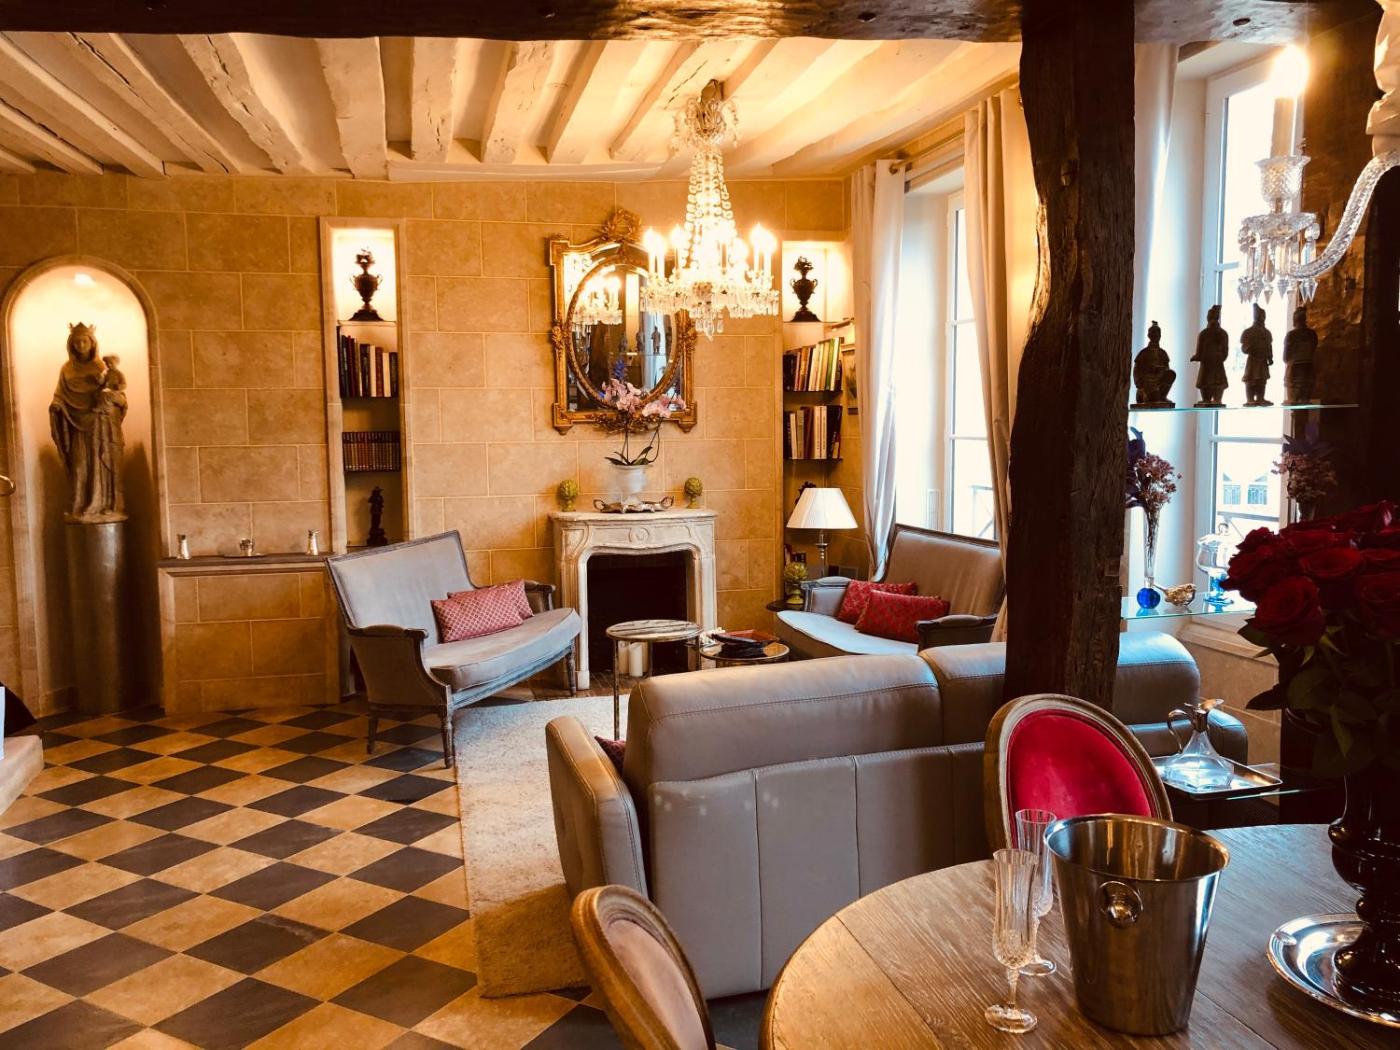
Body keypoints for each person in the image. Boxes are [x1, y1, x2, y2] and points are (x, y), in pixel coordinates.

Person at [49, 323, 127, 522]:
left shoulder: (102, 368)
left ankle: (102, 504)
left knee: (100, 464)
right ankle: (79, 504)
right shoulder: (67, 369)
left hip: (100, 425)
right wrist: (56, 406)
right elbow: (60, 395)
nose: (81, 345)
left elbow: (118, 393)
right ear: (71, 345)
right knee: (79, 466)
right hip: (76, 425)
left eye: (84, 341)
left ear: (92, 343)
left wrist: (112, 401)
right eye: (76, 342)